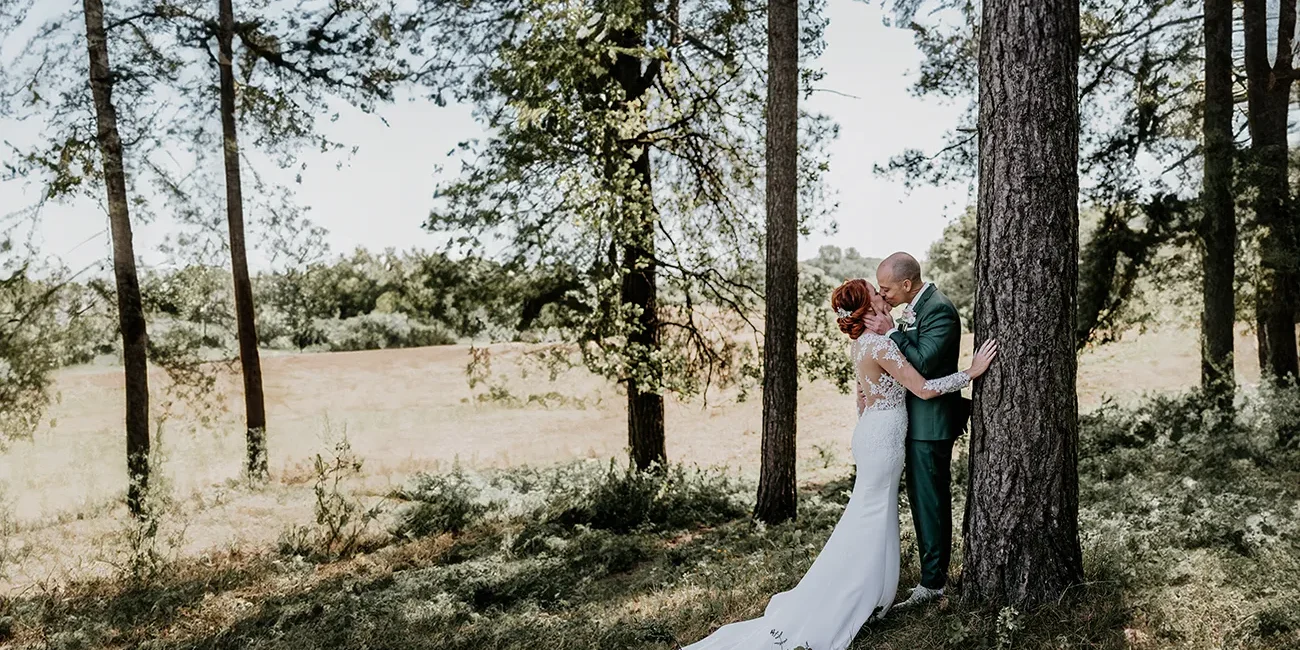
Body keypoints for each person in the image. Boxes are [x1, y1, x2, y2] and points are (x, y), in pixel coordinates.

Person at [680, 278, 997, 650]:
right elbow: (924, 389)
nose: (882, 294)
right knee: (871, 517)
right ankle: (851, 595)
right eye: (876, 292)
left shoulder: (861, 344)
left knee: (869, 514)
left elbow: (862, 399)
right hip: (883, 440)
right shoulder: (881, 345)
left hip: (870, 433)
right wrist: (972, 372)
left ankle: (871, 590)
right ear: (867, 307)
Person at [865, 252, 964, 609]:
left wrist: (891, 332)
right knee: (922, 502)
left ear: (907, 284)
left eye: (886, 289)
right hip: (914, 421)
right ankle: (930, 576)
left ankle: (933, 583)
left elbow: (922, 362)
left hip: (931, 424)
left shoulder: (939, 310)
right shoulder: (915, 308)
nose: (883, 294)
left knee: (931, 503)